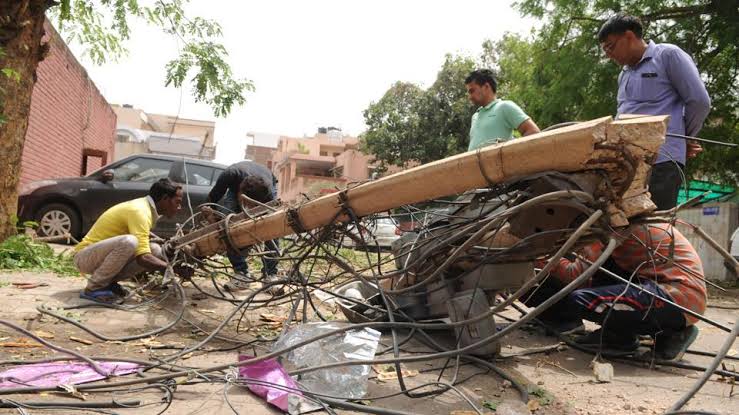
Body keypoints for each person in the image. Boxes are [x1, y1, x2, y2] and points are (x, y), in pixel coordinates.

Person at [526, 222, 706, 361]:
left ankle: (672, 334)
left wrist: (536, 256)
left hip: (677, 298)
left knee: (583, 300)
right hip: (673, 293)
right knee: (600, 279)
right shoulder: (633, 221)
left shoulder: (613, 227)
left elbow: (575, 275)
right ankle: (617, 333)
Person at [598, 13, 711, 210]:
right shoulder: (624, 74)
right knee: (624, 227)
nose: (609, 54)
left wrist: (684, 138)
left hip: (662, 162)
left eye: (610, 46)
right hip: (627, 165)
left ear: (629, 36)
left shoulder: (667, 55)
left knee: (654, 228)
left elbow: (699, 102)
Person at [73, 178, 184, 304]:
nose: (179, 207)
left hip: (99, 256)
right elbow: (143, 258)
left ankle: (107, 282)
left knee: (154, 249)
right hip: (84, 257)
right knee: (129, 242)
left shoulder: (147, 210)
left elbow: (144, 253)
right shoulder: (140, 211)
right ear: (165, 198)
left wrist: (169, 266)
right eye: (177, 202)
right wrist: (171, 268)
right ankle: (94, 288)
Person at [205, 161, 281, 292]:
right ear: (240, 192)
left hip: (266, 182)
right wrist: (210, 214)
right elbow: (213, 197)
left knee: (272, 228)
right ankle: (241, 274)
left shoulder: (266, 190)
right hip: (237, 187)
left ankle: (270, 275)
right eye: (244, 203)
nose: (247, 209)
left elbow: (269, 219)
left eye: (252, 205)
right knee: (228, 227)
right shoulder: (229, 175)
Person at [465, 69, 540, 151]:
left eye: (472, 91)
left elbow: (533, 132)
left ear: (486, 87)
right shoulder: (475, 116)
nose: (470, 97)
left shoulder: (504, 106)